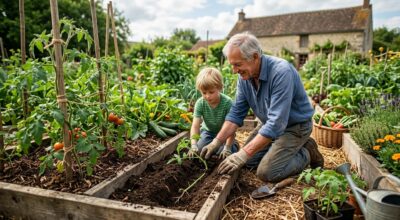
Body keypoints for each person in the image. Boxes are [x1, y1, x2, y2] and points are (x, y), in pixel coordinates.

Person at [200, 32, 324, 184]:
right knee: (248, 162)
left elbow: (277, 123)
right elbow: (236, 114)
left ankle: (306, 152)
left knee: (268, 172)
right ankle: (282, 147)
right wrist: (216, 142)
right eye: (232, 65)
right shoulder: (245, 77)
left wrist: (243, 153)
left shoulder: (281, 72)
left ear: (255, 57)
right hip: (269, 126)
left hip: (294, 126)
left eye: (237, 64)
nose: (234, 70)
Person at [188, 67, 238, 159]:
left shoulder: (227, 103)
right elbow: (195, 126)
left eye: (211, 92)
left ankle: (233, 145)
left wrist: (227, 148)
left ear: (219, 88)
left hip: (225, 134)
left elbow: (231, 126)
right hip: (208, 133)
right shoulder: (200, 103)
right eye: (204, 92)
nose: (207, 96)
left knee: (222, 153)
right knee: (199, 151)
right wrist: (193, 145)